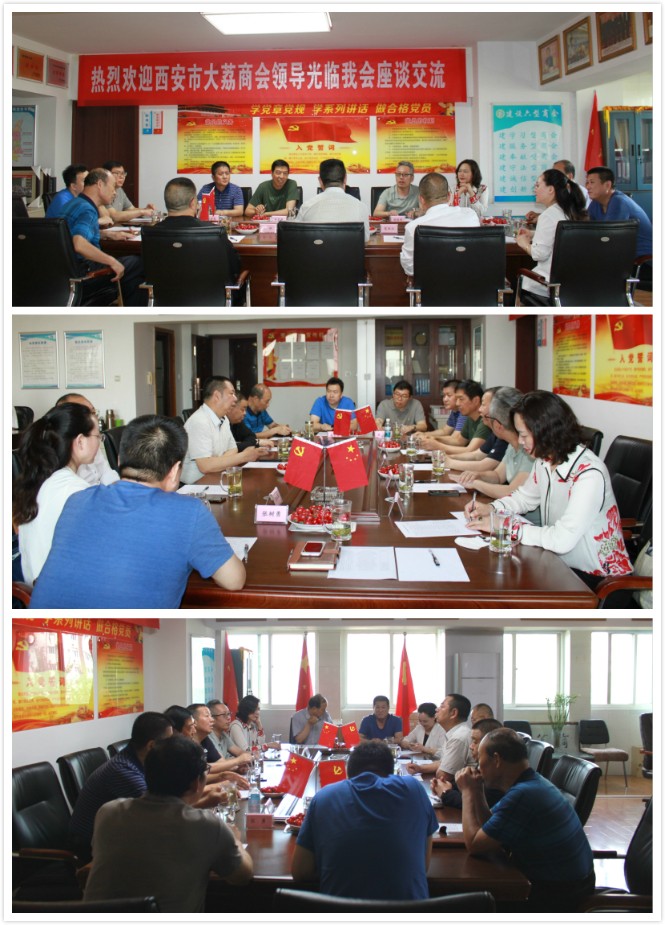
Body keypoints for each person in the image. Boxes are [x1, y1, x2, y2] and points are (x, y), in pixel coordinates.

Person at [30, 414, 245, 608]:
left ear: (119, 460)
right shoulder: (190, 513)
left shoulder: (77, 500)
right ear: (174, 472)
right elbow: (234, 580)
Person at [465, 390, 632, 589]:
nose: (520, 442)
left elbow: (561, 540)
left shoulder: (588, 474)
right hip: (559, 564)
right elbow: (524, 499)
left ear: (545, 431)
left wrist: (506, 525)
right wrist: (491, 509)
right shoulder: (545, 460)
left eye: (523, 435)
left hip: (597, 579)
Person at [83, 735, 253, 912]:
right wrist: (235, 839)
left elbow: (158, 821)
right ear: (197, 783)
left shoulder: (108, 813)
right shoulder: (207, 826)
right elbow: (242, 876)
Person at [456, 728, 595, 913]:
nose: (478, 766)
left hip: (559, 894)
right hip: (568, 883)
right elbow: (489, 826)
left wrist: (467, 792)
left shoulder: (524, 795)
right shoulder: (531, 783)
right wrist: (477, 790)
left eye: (479, 760)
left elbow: (475, 844)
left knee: (466, 904)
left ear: (496, 760)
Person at [292, 741, 438, 900]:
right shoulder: (414, 790)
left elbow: (300, 872)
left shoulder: (324, 797)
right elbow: (424, 866)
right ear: (391, 774)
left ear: (348, 775)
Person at [13, 402, 98, 586]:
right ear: (80, 441)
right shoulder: (75, 491)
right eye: (98, 436)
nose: (99, 442)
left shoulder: (40, 480)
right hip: (56, 592)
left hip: (34, 589)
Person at [69, 711, 173, 862]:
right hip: (89, 847)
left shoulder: (140, 760)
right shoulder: (122, 770)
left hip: (117, 834)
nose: (172, 747)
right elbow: (160, 809)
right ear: (151, 745)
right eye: (169, 742)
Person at [450, 387, 539, 521]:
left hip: (527, 522)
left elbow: (512, 491)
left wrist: (476, 483)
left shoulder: (530, 449)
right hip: (511, 516)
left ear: (498, 425)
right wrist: (478, 475)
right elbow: (498, 476)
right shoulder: (512, 444)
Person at [60, 167, 146, 306]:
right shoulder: (88, 209)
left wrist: (107, 234)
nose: (114, 192)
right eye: (112, 187)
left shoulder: (74, 203)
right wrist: (112, 262)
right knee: (138, 263)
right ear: (100, 184)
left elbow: (69, 235)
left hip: (64, 274)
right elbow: (78, 244)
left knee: (129, 269)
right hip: (85, 274)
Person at [516, 168, 588, 305]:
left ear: (551, 189)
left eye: (538, 185)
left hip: (548, 285)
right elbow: (560, 235)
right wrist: (533, 234)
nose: (534, 189)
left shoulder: (548, 215)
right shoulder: (570, 211)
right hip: (574, 284)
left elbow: (539, 254)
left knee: (521, 279)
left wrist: (523, 243)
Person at [149, 176, 242, 283]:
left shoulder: (151, 232)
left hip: (164, 293)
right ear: (193, 203)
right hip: (210, 292)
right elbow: (234, 266)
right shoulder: (215, 232)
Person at [181, 377, 269, 484]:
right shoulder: (200, 421)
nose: (235, 398)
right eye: (231, 393)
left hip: (216, 476)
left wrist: (217, 462)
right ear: (217, 396)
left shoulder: (224, 418)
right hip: (196, 485)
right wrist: (244, 456)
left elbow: (233, 449)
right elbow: (205, 466)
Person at [400, 172, 479, 276]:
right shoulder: (470, 215)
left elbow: (410, 270)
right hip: (470, 283)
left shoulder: (413, 228)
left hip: (431, 285)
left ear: (421, 199)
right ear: (449, 196)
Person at [431, 717, 502, 808]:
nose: (471, 746)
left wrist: (445, 793)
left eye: (475, 742)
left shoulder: (496, 776)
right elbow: (467, 786)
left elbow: (474, 803)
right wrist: (447, 785)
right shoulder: (481, 766)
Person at [432, 386, 507, 471]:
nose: (480, 409)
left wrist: (448, 461)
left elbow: (485, 464)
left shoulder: (503, 434)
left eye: (483, 404)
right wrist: (449, 457)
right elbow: (476, 455)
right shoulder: (495, 432)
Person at [586, 165, 652, 259]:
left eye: (592, 182)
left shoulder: (618, 201)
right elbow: (587, 229)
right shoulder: (596, 203)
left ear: (607, 185)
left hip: (640, 255)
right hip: (618, 250)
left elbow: (609, 235)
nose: (588, 187)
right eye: (587, 182)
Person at [296, 158, 370, 241]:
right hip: (348, 250)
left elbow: (296, 236)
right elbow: (365, 239)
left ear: (320, 181)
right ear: (345, 179)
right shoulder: (361, 207)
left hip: (317, 249)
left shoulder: (307, 206)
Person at [55, 392, 119, 486]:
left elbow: (107, 473)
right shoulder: (62, 470)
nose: (93, 418)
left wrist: (118, 489)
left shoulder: (91, 441)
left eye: (93, 412)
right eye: (86, 413)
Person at [407, 694, 472, 779]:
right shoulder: (453, 733)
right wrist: (420, 768)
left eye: (442, 706)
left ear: (453, 713)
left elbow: (443, 775)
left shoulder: (458, 737)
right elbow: (442, 762)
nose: (436, 709)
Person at [420, 380, 491, 455]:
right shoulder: (470, 417)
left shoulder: (485, 420)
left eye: (461, 399)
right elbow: (459, 441)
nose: (457, 403)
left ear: (476, 400)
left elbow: (471, 451)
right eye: (457, 399)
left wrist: (438, 446)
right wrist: (435, 438)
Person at [187, 703, 252, 773]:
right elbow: (201, 770)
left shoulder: (205, 739)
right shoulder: (186, 744)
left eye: (229, 714)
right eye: (207, 716)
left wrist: (237, 767)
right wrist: (238, 760)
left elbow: (221, 763)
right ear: (193, 721)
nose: (212, 720)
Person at [525, 159, 590, 222]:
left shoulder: (578, 192)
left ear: (570, 176)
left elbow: (572, 217)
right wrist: (540, 216)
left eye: (558, 173)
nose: (554, 176)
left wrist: (544, 218)